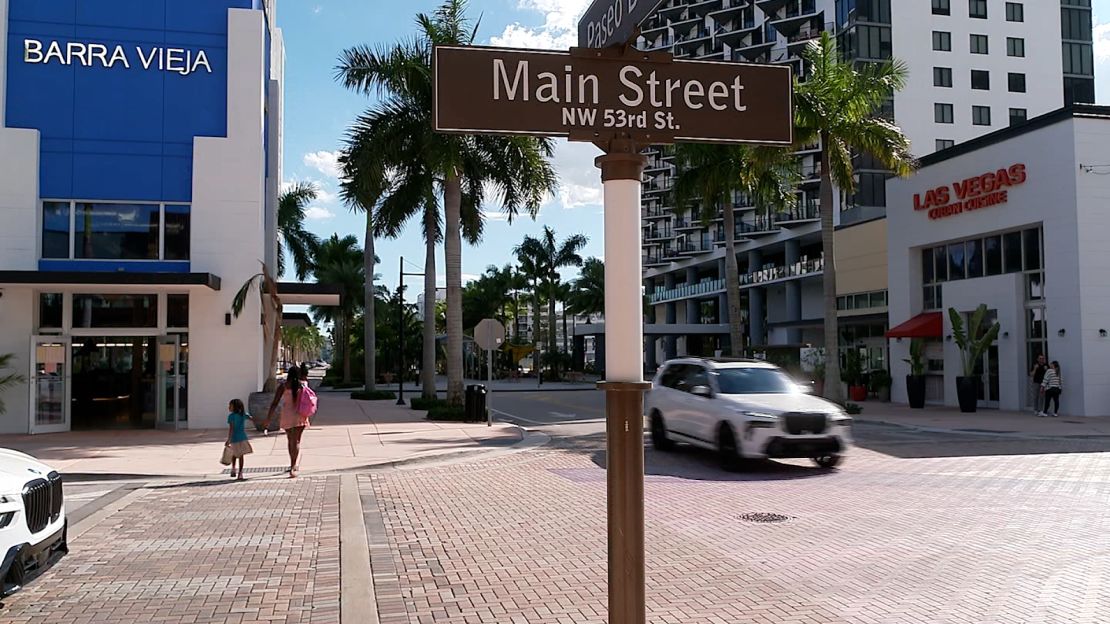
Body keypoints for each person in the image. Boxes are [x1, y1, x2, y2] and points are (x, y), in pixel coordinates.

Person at [263, 366, 311, 478]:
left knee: (290, 440)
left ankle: (291, 464)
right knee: (297, 441)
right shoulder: (302, 385)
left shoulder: (283, 386)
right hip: (300, 414)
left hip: (287, 414)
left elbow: (275, 403)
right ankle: (294, 465)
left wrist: (268, 418)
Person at [225, 399, 253, 480]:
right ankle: (240, 473)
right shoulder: (243, 414)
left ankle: (233, 468)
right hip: (242, 438)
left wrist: (228, 439)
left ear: (235, 407)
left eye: (230, 406)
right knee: (241, 456)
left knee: (234, 454)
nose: (229, 407)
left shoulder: (231, 416)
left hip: (234, 438)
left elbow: (231, 429)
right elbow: (251, 418)